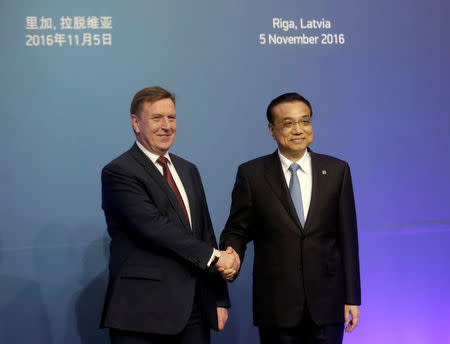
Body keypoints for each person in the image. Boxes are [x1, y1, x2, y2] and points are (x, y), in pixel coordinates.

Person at [100, 86, 239, 344]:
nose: (166, 126)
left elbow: (205, 232)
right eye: (156, 118)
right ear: (135, 123)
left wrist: (218, 298)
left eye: (171, 118)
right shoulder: (119, 172)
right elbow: (154, 227)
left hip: (195, 311)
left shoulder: (188, 170)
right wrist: (215, 257)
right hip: (142, 315)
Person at [219, 92, 361, 344]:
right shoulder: (252, 175)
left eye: (304, 121)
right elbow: (237, 230)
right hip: (276, 307)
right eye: (288, 123)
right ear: (272, 130)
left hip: (328, 305)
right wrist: (232, 254)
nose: (298, 130)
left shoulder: (338, 171)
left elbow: (347, 239)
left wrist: (352, 297)